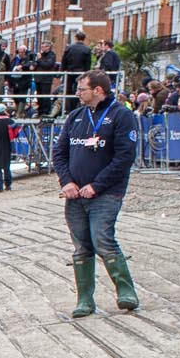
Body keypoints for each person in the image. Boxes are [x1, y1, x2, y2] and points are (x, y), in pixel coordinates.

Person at [55, 70, 140, 317]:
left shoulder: (121, 116)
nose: (77, 93)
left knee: (103, 239)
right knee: (81, 246)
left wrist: (97, 185)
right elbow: (60, 153)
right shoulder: (76, 117)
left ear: (98, 90)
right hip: (75, 195)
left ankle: (126, 292)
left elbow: (125, 157)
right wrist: (66, 181)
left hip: (106, 193)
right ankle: (85, 299)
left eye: (82, 89)